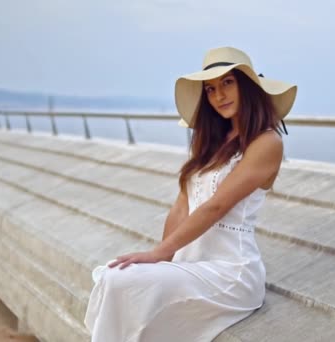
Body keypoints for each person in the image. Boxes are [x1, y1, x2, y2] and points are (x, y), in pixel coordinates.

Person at [84, 46, 297, 341]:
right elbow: (181, 207)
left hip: (231, 272)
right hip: (191, 265)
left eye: (227, 83)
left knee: (124, 283)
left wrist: (157, 254)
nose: (219, 95)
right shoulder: (211, 144)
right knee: (115, 275)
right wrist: (164, 256)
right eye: (210, 89)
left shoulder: (266, 142)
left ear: (247, 86)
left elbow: (217, 205)